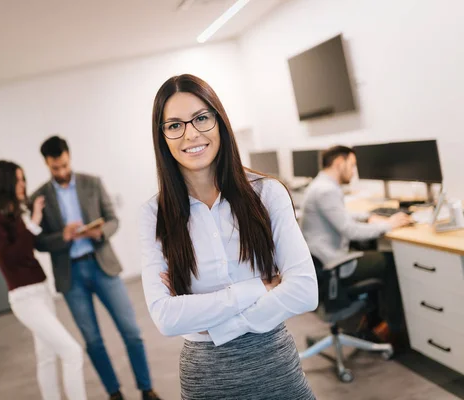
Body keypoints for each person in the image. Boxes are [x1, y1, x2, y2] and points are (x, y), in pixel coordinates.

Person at [140, 74, 318, 400]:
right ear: (162, 137)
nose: (191, 133)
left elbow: (305, 291)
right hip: (205, 377)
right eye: (174, 125)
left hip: (274, 366)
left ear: (219, 122)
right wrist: (257, 288)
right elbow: (166, 317)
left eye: (201, 118)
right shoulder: (155, 215)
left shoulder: (267, 194)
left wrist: (218, 324)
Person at [31, 137, 161, 400]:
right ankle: (114, 393)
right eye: (55, 168)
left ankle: (146, 389)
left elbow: (113, 219)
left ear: (69, 156)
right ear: (46, 164)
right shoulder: (39, 198)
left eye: (64, 165)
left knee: (132, 332)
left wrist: (99, 232)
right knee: (92, 341)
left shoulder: (93, 182)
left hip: (102, 265)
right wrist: (62, 237)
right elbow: (39, 242)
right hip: (71, 275)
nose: (62, 172)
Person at [0, 161, 86, 400]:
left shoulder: (15, 213)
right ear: (4, 184)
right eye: (18, 180)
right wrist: (34, 221)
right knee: (72, 352)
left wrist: (30, 219)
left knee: (46, 357)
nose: (23, 185)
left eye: (23, 179)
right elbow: (13, 257)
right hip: (25, 298)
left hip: (41, 290)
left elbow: (25, 249)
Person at [299, 145, 411, 340]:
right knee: (390, 261)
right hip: (334, 265)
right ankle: (391, 328)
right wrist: (389, 224)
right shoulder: (326, 190)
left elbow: (339, 216)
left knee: (374, 255)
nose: (354, 171)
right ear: (339, 163)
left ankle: (372, 320)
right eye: (352, 165)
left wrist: (368, 217)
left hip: (322, 261)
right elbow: (350, 231)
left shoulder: (321, 185)